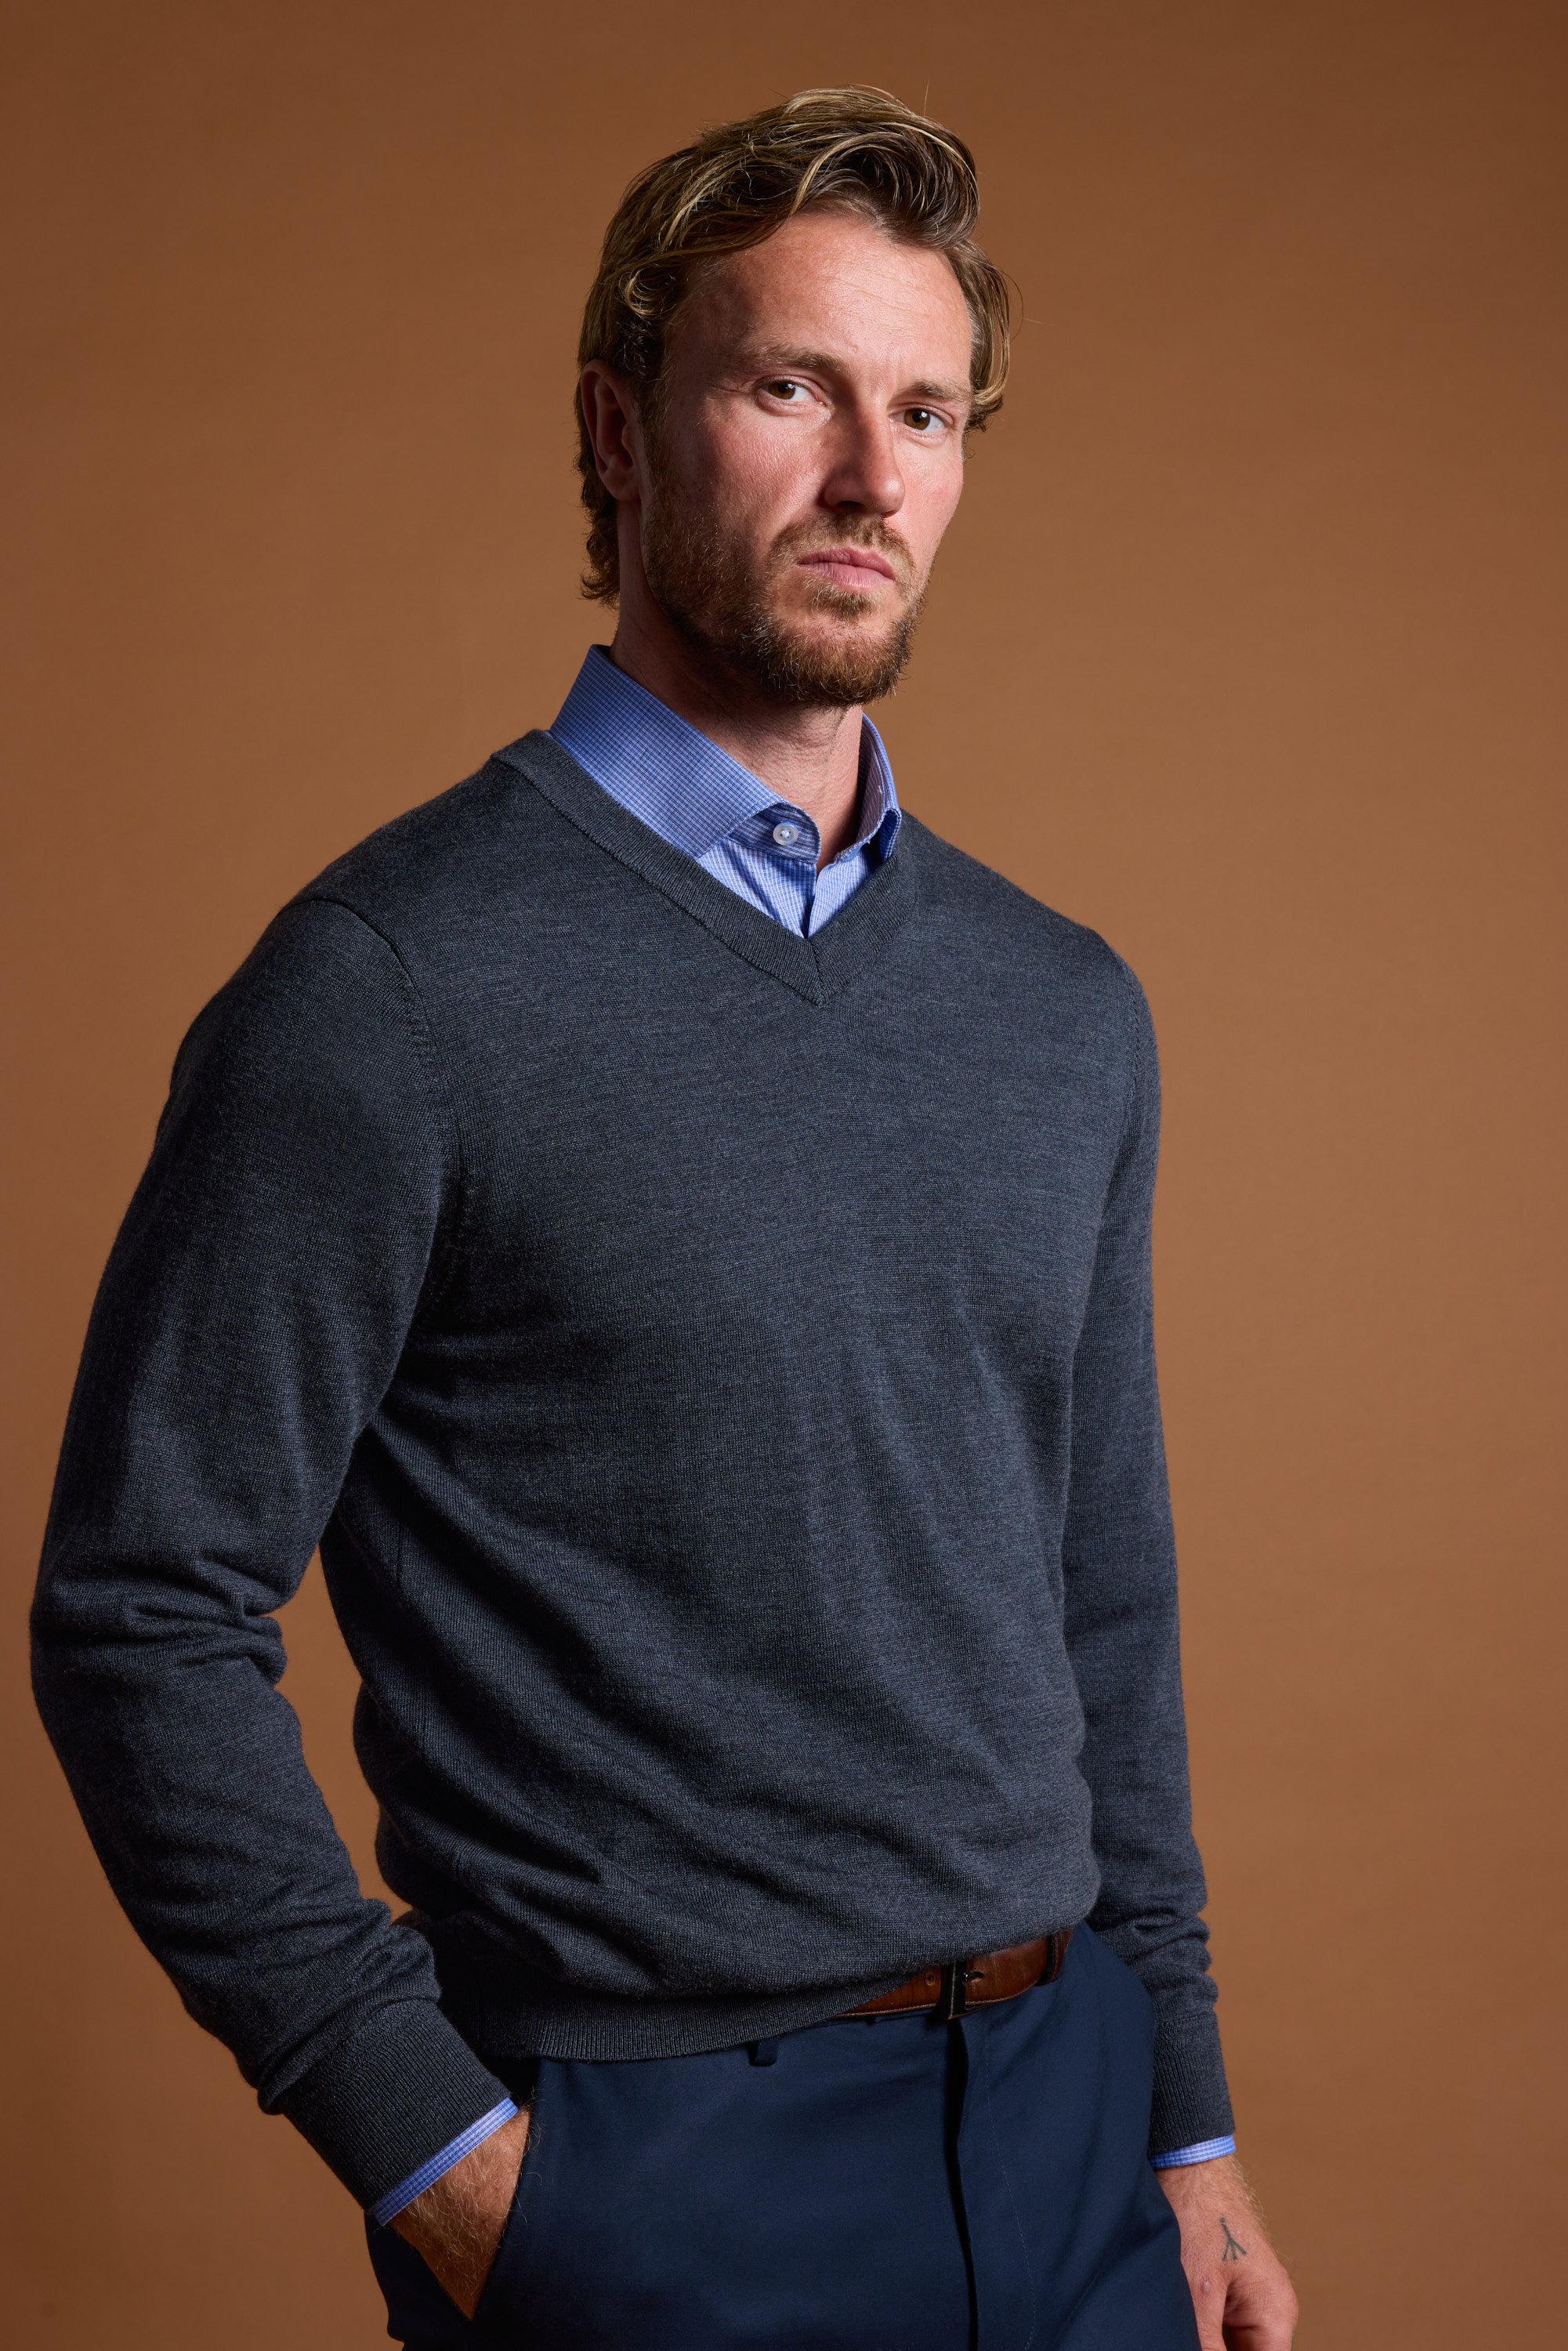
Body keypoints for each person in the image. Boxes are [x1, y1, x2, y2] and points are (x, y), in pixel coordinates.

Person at [32, 87, 1299, 2351]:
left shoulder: (1060, 1010)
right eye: (786, 384)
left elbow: (1100, 1604)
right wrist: (435, 2154)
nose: (864, 475)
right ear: (619, 430)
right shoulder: (389, 989)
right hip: (644, 2164)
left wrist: (1183, 2120)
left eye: (921, 409)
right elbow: (142, 1606)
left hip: (1065, 2124)